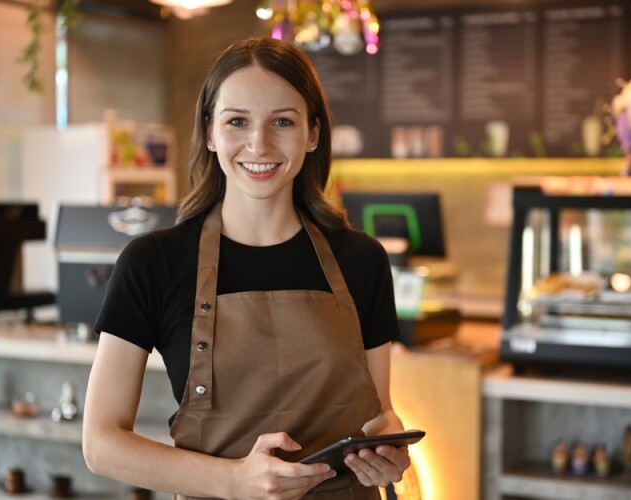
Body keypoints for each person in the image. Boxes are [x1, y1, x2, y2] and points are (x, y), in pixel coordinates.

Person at [82, 37, 412, 500]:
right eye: (237, 121)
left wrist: (388, 448)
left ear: (313, 134)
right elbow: (101, 444)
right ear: (210, 132)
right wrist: (234, 481)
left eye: (283, 121)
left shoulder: (362, 259)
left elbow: (380, 414)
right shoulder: (153, 262)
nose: (259, 143)